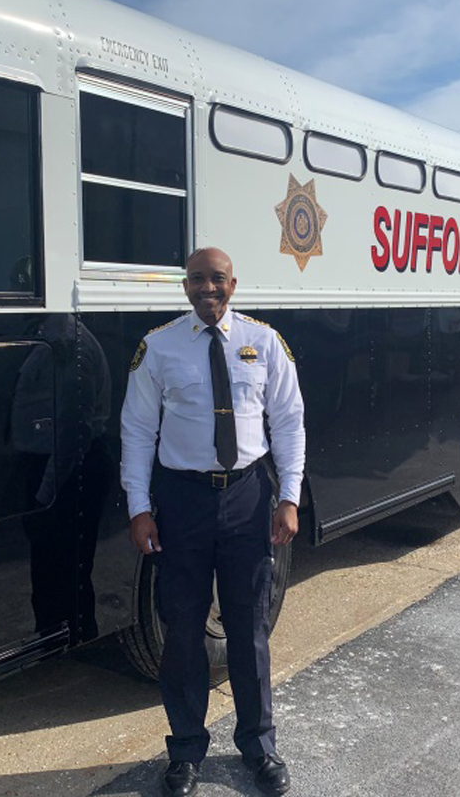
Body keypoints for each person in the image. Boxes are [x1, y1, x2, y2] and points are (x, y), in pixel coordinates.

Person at [120, 247, 305, 796]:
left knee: (249, 629)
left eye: (217, 278)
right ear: (185, 286)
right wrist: (139, 507)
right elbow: (136, 432)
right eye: (198, 279)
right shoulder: (158, 347)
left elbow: (289, 422)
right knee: (182, 632)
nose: (208, 288)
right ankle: (185, 753)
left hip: (248, 497)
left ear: (233, 283)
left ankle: (259, 747)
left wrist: (288, 497)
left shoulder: (265, 342)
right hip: (182, 501)